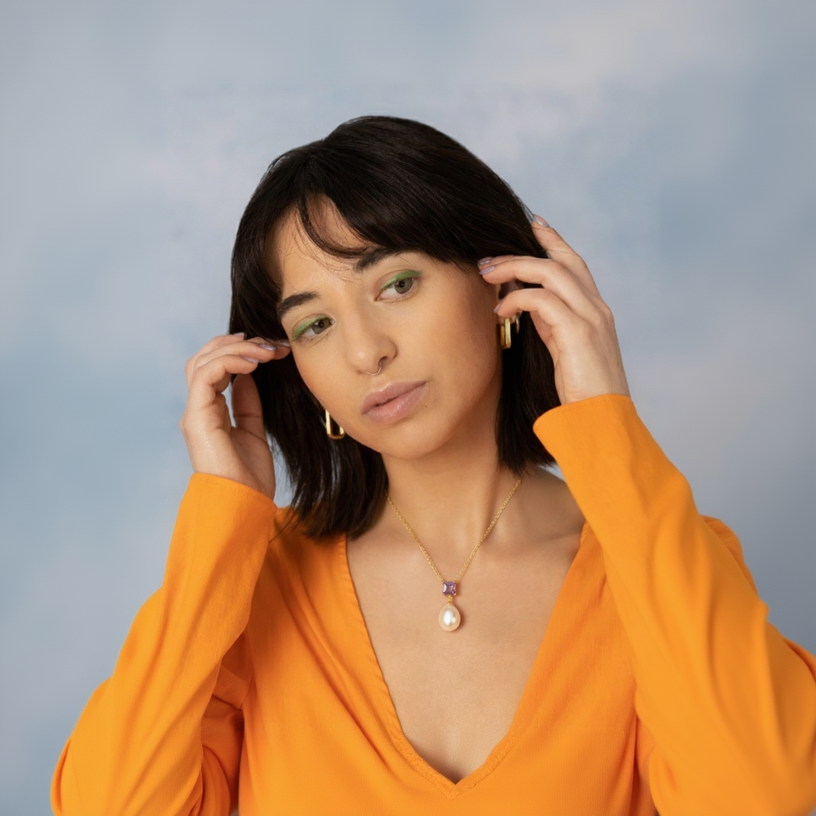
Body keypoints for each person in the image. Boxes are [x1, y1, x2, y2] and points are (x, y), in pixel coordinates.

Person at [51, 116, 816, 816]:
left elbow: (761, 796)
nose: (364, 351)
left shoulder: (661, 562)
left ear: (503, 286)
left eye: (398, 284)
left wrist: (607, 431)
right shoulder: (250, 593)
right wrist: (223, 521)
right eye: (315, 324)